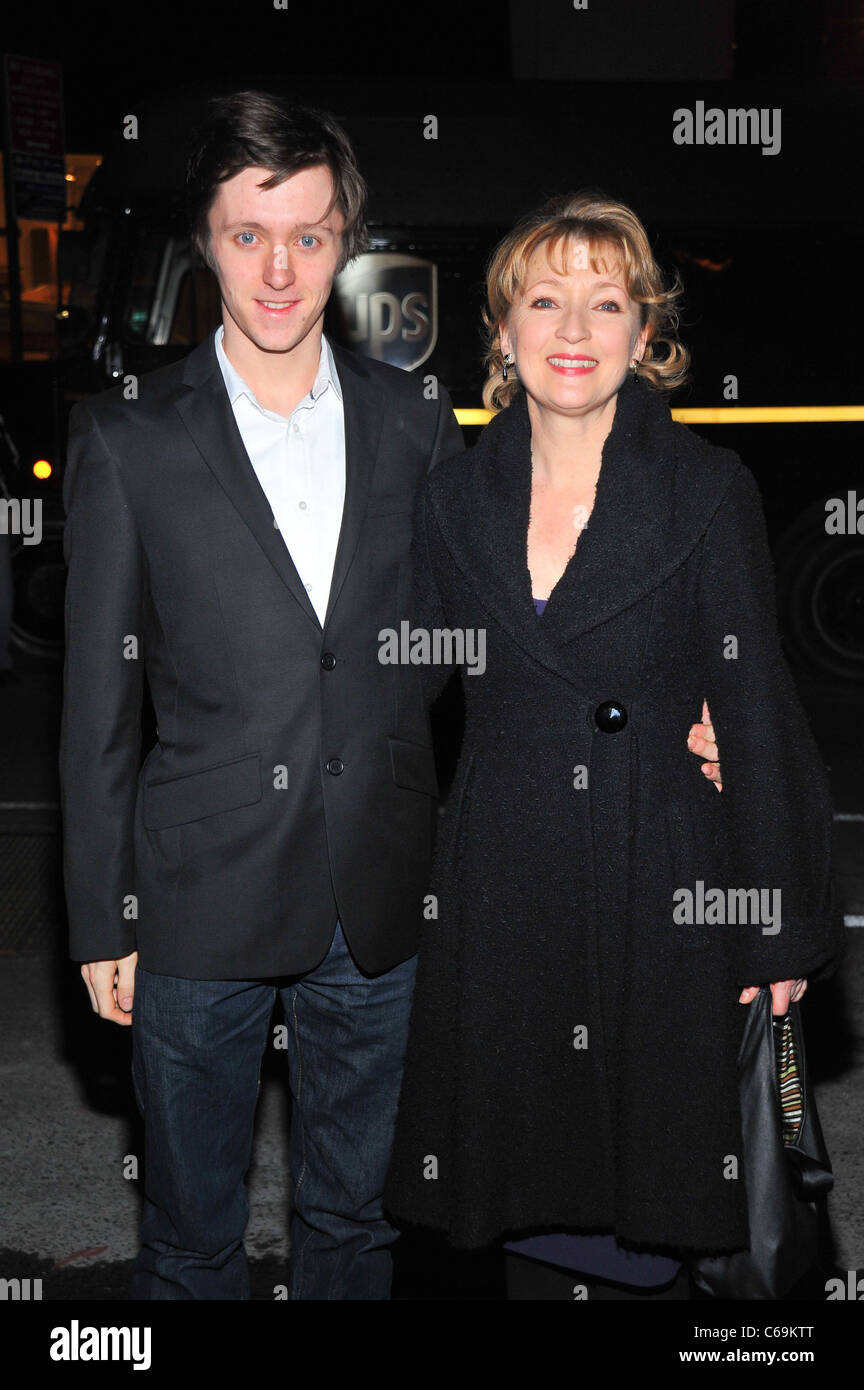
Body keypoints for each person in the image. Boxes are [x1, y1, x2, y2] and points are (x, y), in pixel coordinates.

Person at [58, 97, 727, 1300]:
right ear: (204, 241)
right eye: (249, 233)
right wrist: (105, 912)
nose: (279, 266)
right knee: (192, 1239)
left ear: (348, 240)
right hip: (194, 896)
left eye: (310, 235)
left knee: (357, 1227)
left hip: (382, 896)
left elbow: (505, 605)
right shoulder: (124, 436)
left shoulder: (415, 418)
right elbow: (94, 704)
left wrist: (673, 702)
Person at [383, 192, 844, 1299]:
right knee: (529, 1206)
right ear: (501, 333)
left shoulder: (704, 491)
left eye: (608, 302)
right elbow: (403, 675)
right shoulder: (451, 495)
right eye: (546, 301)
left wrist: (773, 931)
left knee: (652, 1209)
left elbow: (757, 703)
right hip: (504, 887)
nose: (575, 330)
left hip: (662, 880)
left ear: (648, 335)